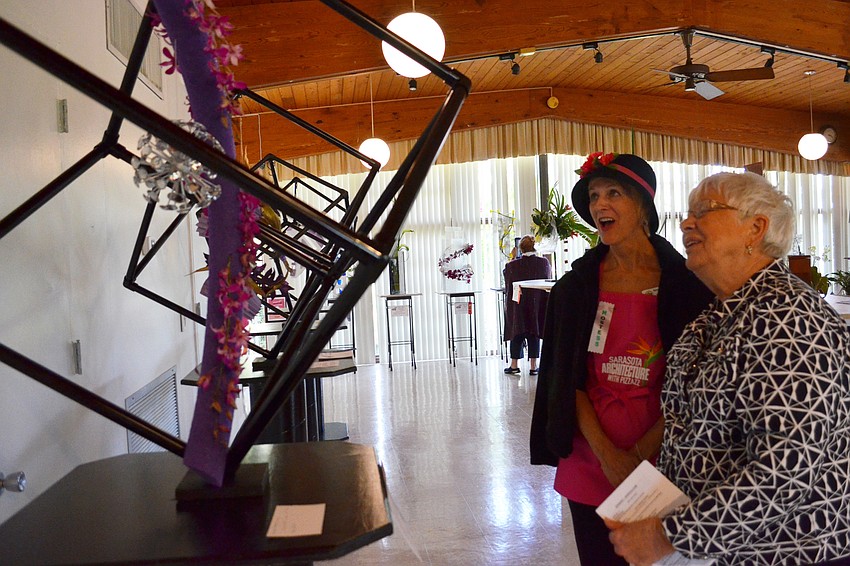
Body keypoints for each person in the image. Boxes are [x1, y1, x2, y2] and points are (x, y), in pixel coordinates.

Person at [606, 172, 850, 566]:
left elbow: (786, 468)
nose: (686, 223)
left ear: (756, 228)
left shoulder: (787, 318)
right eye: (688, 213)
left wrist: (669, 535)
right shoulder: (720, 315)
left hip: (787, 551)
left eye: (705, 211)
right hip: (720, 551)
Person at [529, 152, 713, 565]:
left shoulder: (688, 285)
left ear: (643, 206)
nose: (600, 205)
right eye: (594, 196)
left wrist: (639, 456)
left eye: (614, 193)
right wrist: (609, 457)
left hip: (667, 459)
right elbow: (566, 378)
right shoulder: (576, 288)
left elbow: (700, 385)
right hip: (590, 458)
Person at [503, 235, 552, 375]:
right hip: (536, 304)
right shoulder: (543, 263)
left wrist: (512, 258)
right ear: (534, 247)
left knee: (516, 331)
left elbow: (507, 279)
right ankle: (533, 366)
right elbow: (547, 279)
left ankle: (514, 365)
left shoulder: (512, 265)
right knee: (534, 331)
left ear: (520, 248)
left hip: (518, 304)